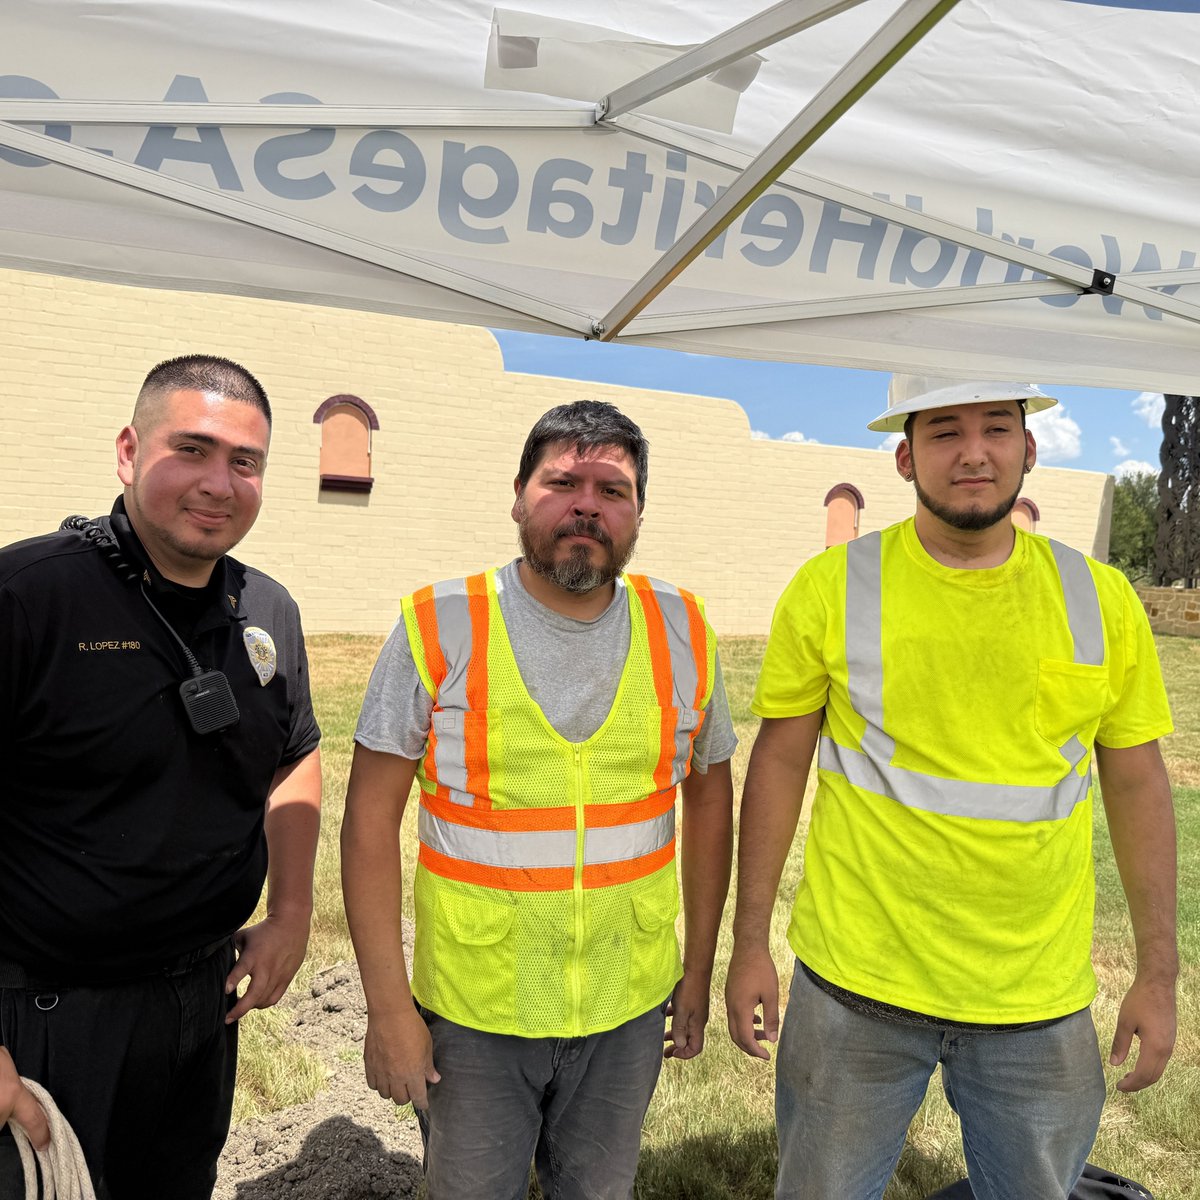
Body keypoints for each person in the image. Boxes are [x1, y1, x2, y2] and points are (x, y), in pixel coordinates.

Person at [725, 376, 1177, 1200]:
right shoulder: (833, 588)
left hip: (1036, 1000)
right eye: (943, 432)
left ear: (1029, 448)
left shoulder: (1100, 600)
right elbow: (779, 766)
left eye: (997, 428)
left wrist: (1158, 971)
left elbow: (1140, 785)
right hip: (856, 986)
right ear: (904, 457)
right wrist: (748, 941)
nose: (974, 451)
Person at [342, 399, 736, 1200]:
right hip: (478, 1012)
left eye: (612, 489)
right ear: (519, 495)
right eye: (562, 481)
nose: (586, 503)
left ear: (637, 514)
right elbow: (366, 827)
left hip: (627, 1007)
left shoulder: (684, 627)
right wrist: (389, 1009)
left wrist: (696, 973)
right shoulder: (439, 622)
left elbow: (710, 801)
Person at [0, 355, 322, 1199]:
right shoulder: (28, 598)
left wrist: (291, 912)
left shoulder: (269, 611)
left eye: (245, 462)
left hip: (201, 1005)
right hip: (48, 1015)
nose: (220, 482)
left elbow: (294, 752)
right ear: (128, 451)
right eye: (193, 449)